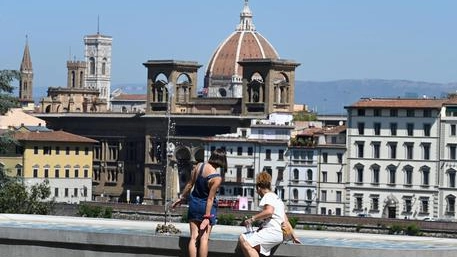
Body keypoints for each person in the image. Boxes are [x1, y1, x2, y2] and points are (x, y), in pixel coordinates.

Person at [171, 148, 227, 257]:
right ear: (222, 160)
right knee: (204, 239)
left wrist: (182, 198)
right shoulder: (217, 178)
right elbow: (210, 199)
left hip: (194, 204)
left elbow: (189, 184)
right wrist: (207, 217)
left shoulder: (199, 166)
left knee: (193, 238)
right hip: (206, 208)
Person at [238, 171, 301, 257]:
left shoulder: (267, 196)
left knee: (245, 242)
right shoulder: (277, 198)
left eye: (257, 190)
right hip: (279, 234)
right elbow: (285, 220)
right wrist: (294, 237)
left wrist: (252, 219)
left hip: (272, 232)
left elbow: (269, 211)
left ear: (259, 187)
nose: (257, 192)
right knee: (246, 238)